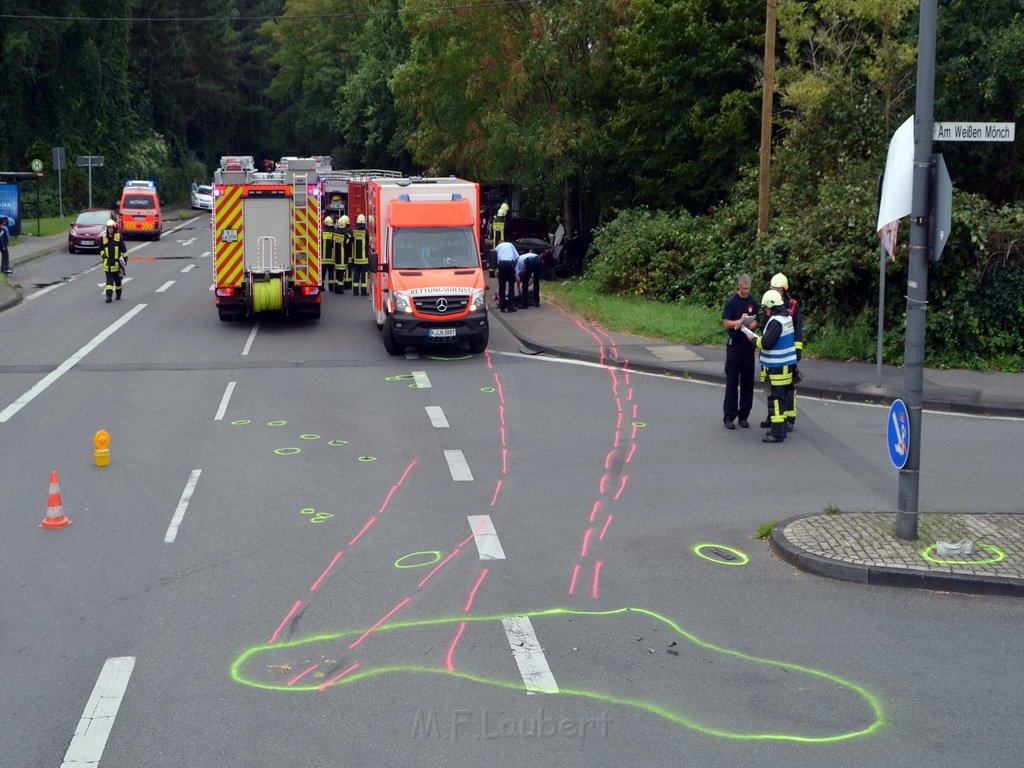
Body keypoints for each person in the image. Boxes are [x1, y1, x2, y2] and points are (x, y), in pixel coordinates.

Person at [753, 289, 797, 443]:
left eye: (766, 308)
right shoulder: (786, 319)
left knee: (776, 400)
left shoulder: (776, 322)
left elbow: (766, 343)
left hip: (777, 367)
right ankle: (782, 429)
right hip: (787, 366)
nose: (765, 311)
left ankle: (777, 433)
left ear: (772, 306)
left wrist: (753, 339)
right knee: (783, 399)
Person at [761, 272, 804, 430]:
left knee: (787, 387)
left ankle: (789, 418)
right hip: (773, 355)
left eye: (778, 290)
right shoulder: (770, 303)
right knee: (771, 385)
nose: (775, 292)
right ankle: (773, 416)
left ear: (784, 290)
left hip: (787, 354)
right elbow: (767, 328)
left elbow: (798, 330)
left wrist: (797, 351)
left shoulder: (792, 305)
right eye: (773, 289)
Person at [721, 274, 758, 429]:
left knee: (747, 382)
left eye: (748, 289)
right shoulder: (732, 302)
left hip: (748, 346)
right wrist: (738, 322)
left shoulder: (753, 302)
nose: (745, 292)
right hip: (735, 346)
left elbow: (757, 321)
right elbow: (726, 323)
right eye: (743, 289)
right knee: (732, 382)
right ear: (738, 286)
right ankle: (729, 416)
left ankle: (744, 416)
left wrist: (749, 324)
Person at [100, 219, 127, 302]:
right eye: (108, 228)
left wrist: (125, 260)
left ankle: (118, 294)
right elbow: (101, 249)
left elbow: (124, 250)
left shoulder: (118, 237)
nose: (110, 229)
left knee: (118, 281)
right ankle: (109, 297)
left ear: (114, 228)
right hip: (107, 264)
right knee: (109, 282)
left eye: (111, 228)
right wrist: (104, 256)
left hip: (117, 265)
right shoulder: (104, 238)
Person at [495, 239, 518, 312]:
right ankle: (510, 307)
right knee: (511, 287)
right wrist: (514, 268)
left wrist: (497, 270)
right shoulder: (510, 245)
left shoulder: (497, 247)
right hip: (510, 264)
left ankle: (502, 307)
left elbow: (494, 258)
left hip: (501, 265)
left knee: (502, 287)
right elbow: (517, 257)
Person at [351, 213, 369, 296]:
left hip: (355, 258)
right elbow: (367, 243)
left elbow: (352, 241)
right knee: (364, 275)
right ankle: (363, 292)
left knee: (356, 274)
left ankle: (355, 291)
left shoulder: (354, 231)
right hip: (364, 258)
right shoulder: (366, 232)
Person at [335, 214, 353, 294]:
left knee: (338, 274)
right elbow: (348, 246)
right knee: (342, 274)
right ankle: (340, 289)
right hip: (343, 259)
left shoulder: (335, 234)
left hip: (336, 258)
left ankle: (336, 288)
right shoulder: (346, 236)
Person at [322, 216, 336, 293]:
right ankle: (331, 288)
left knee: (323, 273)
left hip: (323, 259)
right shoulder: (334, 233)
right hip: (332, 258)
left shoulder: (322, 233)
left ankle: (322, 287)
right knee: (331, 273)